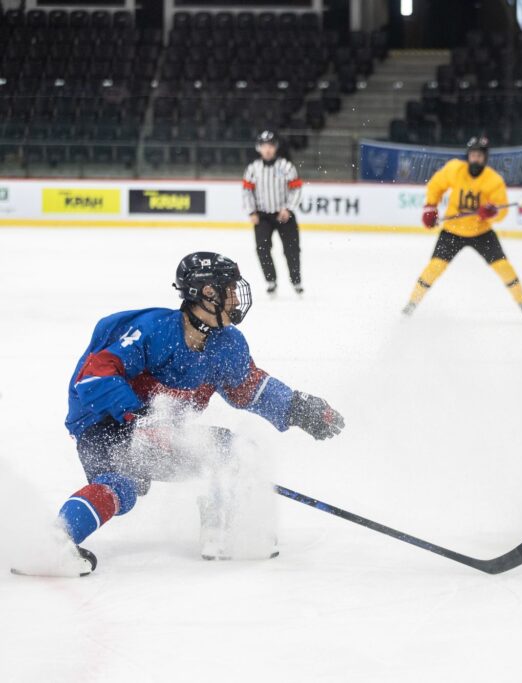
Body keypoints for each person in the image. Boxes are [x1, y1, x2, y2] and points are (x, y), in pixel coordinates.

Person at [19, 253, 344, 576]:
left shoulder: (227, 344)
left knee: (235, 451)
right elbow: (94, 377)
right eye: (230, 289)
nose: (236, 297)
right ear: (207, 293)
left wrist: (297, 407)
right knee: (122, 485)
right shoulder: (152, 330)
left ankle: (221, 532)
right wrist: (140, 417)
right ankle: (55, 541)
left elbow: (249, 387)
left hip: (164, 435)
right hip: (104, 426)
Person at [403, 136, 522, 319]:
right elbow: (435, 185)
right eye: (473, 155)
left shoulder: (493, 180)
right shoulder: (455, 169)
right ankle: (411, 304)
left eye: (479, 156)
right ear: (468, 156)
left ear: (485, 158)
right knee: (434, 267)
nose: (475, 159)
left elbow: (501, 210)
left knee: (504, 267)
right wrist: (430, 207)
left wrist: (491, 212)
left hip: (481, 232)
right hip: (452, 231)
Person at [243, 130, 304, 296]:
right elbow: (247, 192)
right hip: (262, 216)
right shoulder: (253, 169)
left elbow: (296, 188)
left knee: (292, 249)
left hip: (285, 215)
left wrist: (288, 208)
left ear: (276, 147)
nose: (267, 149)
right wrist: (251, 212)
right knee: (262, 248)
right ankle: (271, 281)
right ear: (259, 148)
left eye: (270, 145)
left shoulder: (286, 166)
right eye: (264, 146)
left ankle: (296, 280)